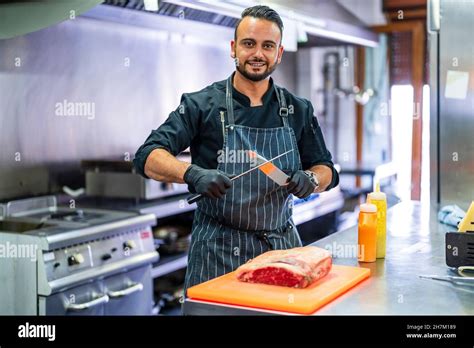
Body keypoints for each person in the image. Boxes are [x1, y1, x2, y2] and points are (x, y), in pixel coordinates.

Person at [133, 5, 339, 294]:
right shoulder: (200, 105)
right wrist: (191, 173)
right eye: (249, 43)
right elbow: (148, 156)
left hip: (281, 253)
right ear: (234, 48)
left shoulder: (298, 110)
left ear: (279, 53)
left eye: (268, 46)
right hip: (217, 252)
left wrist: (313, 179)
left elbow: (326, 169)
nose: (257, 54)